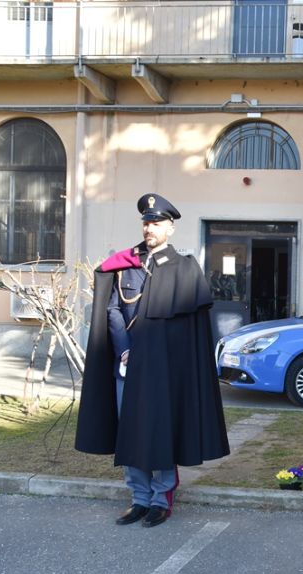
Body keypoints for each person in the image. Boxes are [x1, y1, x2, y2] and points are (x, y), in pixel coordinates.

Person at [76, 193, 229, 528]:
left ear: (170, 228)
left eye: (157, 223)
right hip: (127, 364)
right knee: (129, 432)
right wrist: (125, 348)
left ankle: (161, 499)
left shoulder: (184, 268)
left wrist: (149, 351)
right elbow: (113, 309)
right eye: (146, 222)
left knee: (160, 430)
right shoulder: (125, 265)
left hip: (163, 368)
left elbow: (184, 327)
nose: (150, 228)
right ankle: (139, 498)